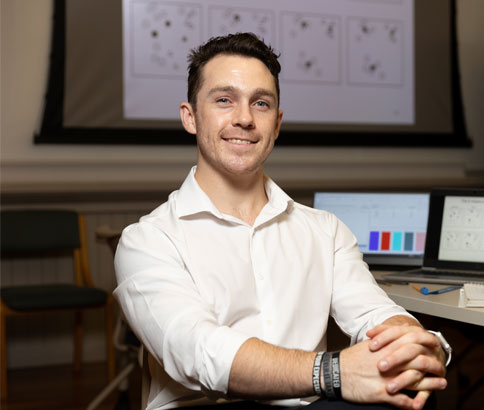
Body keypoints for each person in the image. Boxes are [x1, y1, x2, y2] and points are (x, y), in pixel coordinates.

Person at [114, 32, 450, 410]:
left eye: (261, 103)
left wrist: (415, 346)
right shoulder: (148, 240)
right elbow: (200, 353)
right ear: (190, 117)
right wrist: (334, 372)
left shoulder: (325, 230)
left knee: (406, 392)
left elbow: (375, 313)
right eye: (224, 100)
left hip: (313, 405)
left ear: (276, 123)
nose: (244, 118)